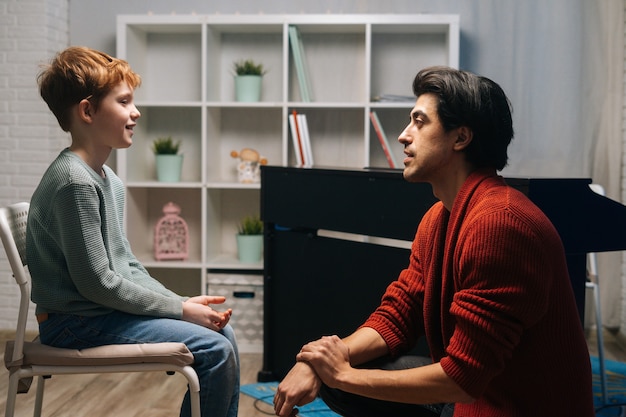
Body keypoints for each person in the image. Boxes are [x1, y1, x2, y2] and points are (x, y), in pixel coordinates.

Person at [273, 66, 595, 417]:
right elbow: (399, 314)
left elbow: (462, 378)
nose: (403, 136)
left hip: (509, 406)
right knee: (339, 385)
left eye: (420, 122)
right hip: (476, 396)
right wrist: (320, 362)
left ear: (460, 138)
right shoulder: (439, 217)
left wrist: (343, 375)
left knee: (345, 384)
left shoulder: (500, 224)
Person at [27, 46, 240, 417]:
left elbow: (125, 265)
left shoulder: (107, 179)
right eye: (124, 102)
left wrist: (181, 304)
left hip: (95, 314)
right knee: (215, 350)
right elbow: (99, 283)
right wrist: (179, 309)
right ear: (88, 111)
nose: (135, 112)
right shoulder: (74, 182)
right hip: (74, 324)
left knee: (224, 335)